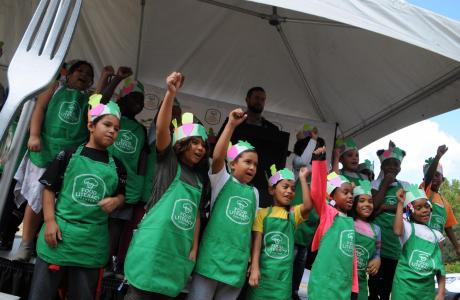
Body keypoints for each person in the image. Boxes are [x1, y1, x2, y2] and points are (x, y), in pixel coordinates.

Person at [28, 96, 126, 300]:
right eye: (107, 124)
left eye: (116, 129)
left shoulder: (118, 166)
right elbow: (48, 189)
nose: (112, 131)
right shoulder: (68, 154)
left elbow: (121, 196)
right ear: (91, 125)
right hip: (57, 238)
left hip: (91, 244)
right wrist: (49, 221)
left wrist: (116, 201)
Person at [124, 72, 208, 299]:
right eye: (194, 143)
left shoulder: (199, 181)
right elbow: (162, 130)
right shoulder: (168, 163)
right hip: (151, 252)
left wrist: (193, 248)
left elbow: (196, 215)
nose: (200, 148)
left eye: (203, 145)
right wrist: (171, 93)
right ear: (181, 144)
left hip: (175, 256)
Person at [13, 60, 95, 262]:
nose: (83, 75)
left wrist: (110, 79)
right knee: (35, 198)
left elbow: (103, 99)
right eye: (79, 71)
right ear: (69, 74)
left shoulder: (89, 99)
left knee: (57, 203)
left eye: (88, 74)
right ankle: (25, 245)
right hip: (45, 149)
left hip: (69, 156)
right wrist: (34, 135)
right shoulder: (54, 87)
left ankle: (42, 244)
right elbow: (39, 109)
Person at [188, 109, 259, 300]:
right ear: (233, 164)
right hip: (211, 259)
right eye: (248, 162)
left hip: (236, 265)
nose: (252, 167)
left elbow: (252, 230)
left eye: (255, 165)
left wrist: (252, 261)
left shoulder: (255, 193)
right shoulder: (221, 180)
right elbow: (218, 157)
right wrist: (231, 124)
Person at [247, 165, 311, 300]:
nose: (289, 191)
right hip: (262, 276)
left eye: (293, 189)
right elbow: (257, 244)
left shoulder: (294, 214)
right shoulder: (262, 213)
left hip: (283, 281)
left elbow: (308, 205)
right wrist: (254, 268)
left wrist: (303, 179)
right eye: (285, 187)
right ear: (272, 189)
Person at [106, 75, 148, 275]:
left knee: (117, 225)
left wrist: (138, 184)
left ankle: (106, 262)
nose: (138, 104)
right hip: (104, 180)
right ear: (121, 98)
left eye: (141, 101)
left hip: (127, 187)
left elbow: (142, 160)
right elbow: (102, 101)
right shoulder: (110, 119)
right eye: (134, 98)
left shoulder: (141, 129)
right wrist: (114, 80)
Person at [218, 87, 286, 208]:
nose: (259, 101)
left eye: (262, 99)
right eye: (256, 98)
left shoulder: (272, 130)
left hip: (261, 188)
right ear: (247, 99)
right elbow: (220, 148)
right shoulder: (233, 122)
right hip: (232, 181)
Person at [307, 149, 359, 300]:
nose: (350, 196)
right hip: (323, 286)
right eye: (345, 192)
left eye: (352, 193)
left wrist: (354, 289)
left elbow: (353, 259)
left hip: (343, 289)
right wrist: (318, 161)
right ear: (332, 195)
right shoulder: (327, 213)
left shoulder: (350, 223)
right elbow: (317, 191)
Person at [368, 141, 409, 300]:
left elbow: (410, 209)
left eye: (396, 164)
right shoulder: (376, 184)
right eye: (388, 164)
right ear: (381, 167)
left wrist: (384, 208)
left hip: (395, 245)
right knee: (374, 288)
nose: (392, 167)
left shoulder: (405, 185)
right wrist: (385, 183)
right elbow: (373, 207)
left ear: (400, 167)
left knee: (386, 290)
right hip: (377, 245)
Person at [392, 185, 445, 300]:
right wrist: (400, 203)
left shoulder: (438, 236)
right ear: (410, 211)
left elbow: (440, 267)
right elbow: (396, 231)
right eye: (418, 208)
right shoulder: (407, 227)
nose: (424, 210)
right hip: (404, 289)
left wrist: (441, 293)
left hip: (426, 292)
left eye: (426, 206)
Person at [291, 124, 320, 300]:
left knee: (301, 261)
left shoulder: (318, 172)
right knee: (292, 258)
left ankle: (294, 290)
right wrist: (313, 140)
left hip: (309, 226)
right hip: (296, 223)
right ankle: (285, 289)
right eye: (314, 150)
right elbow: (305, 162)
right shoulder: (299, 165)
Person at [421, 145, 460, 258]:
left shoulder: (445, 203)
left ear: (442, 179)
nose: (433, 177)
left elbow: (448, 227)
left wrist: (457, 247)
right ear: (424, 180)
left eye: (437, 175)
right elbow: (429, 178)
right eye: (431, 175)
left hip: (437, 246)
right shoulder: (424, 191)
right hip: (421, 242)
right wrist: (437, 157)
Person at [351, 180, 381, 300]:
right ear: (353, 203)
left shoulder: (377, 230)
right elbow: (331, 182)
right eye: (361, 201)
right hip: (342, 280)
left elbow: (377, 252)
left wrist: (377, 259)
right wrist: (347, 185)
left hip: (361, 284)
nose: (367, 204)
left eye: (370, 201)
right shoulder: (346, 220)